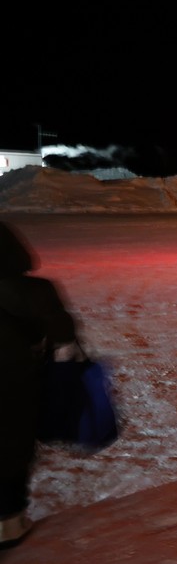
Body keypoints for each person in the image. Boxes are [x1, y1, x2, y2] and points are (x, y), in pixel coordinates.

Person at [0, 221, 78, 548]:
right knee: (11, 449)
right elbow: (63, 340)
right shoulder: (33, 290)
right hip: (15, 381)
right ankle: (8, 525)